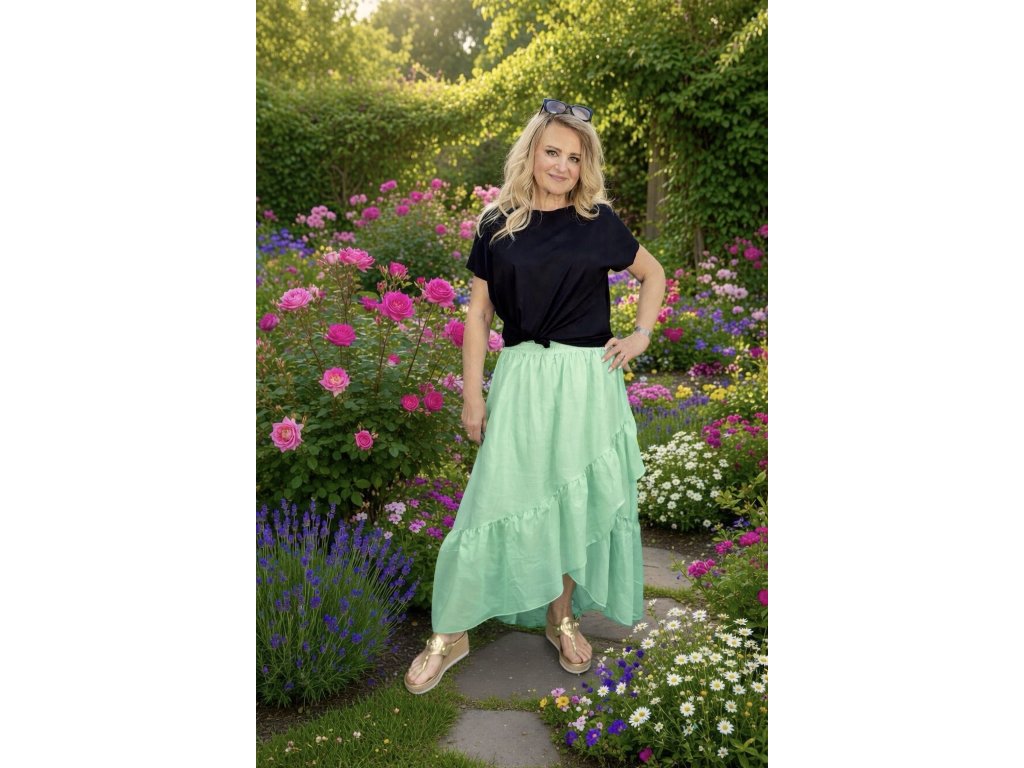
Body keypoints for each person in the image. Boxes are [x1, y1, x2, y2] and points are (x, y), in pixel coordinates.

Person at [404, 98, 666, 694]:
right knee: (493, 498)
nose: (562, 166)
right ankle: (450, 632)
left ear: (585, 165)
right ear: (531, 152)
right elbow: (478, 316)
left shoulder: (598, 221)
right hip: (522, 376)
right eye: (553, 152)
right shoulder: (496, 224)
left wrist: (641, 334)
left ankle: (562, 618)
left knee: (572, 502)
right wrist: (473, 396)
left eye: (574, 157)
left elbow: (654, 274)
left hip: (589, 382)